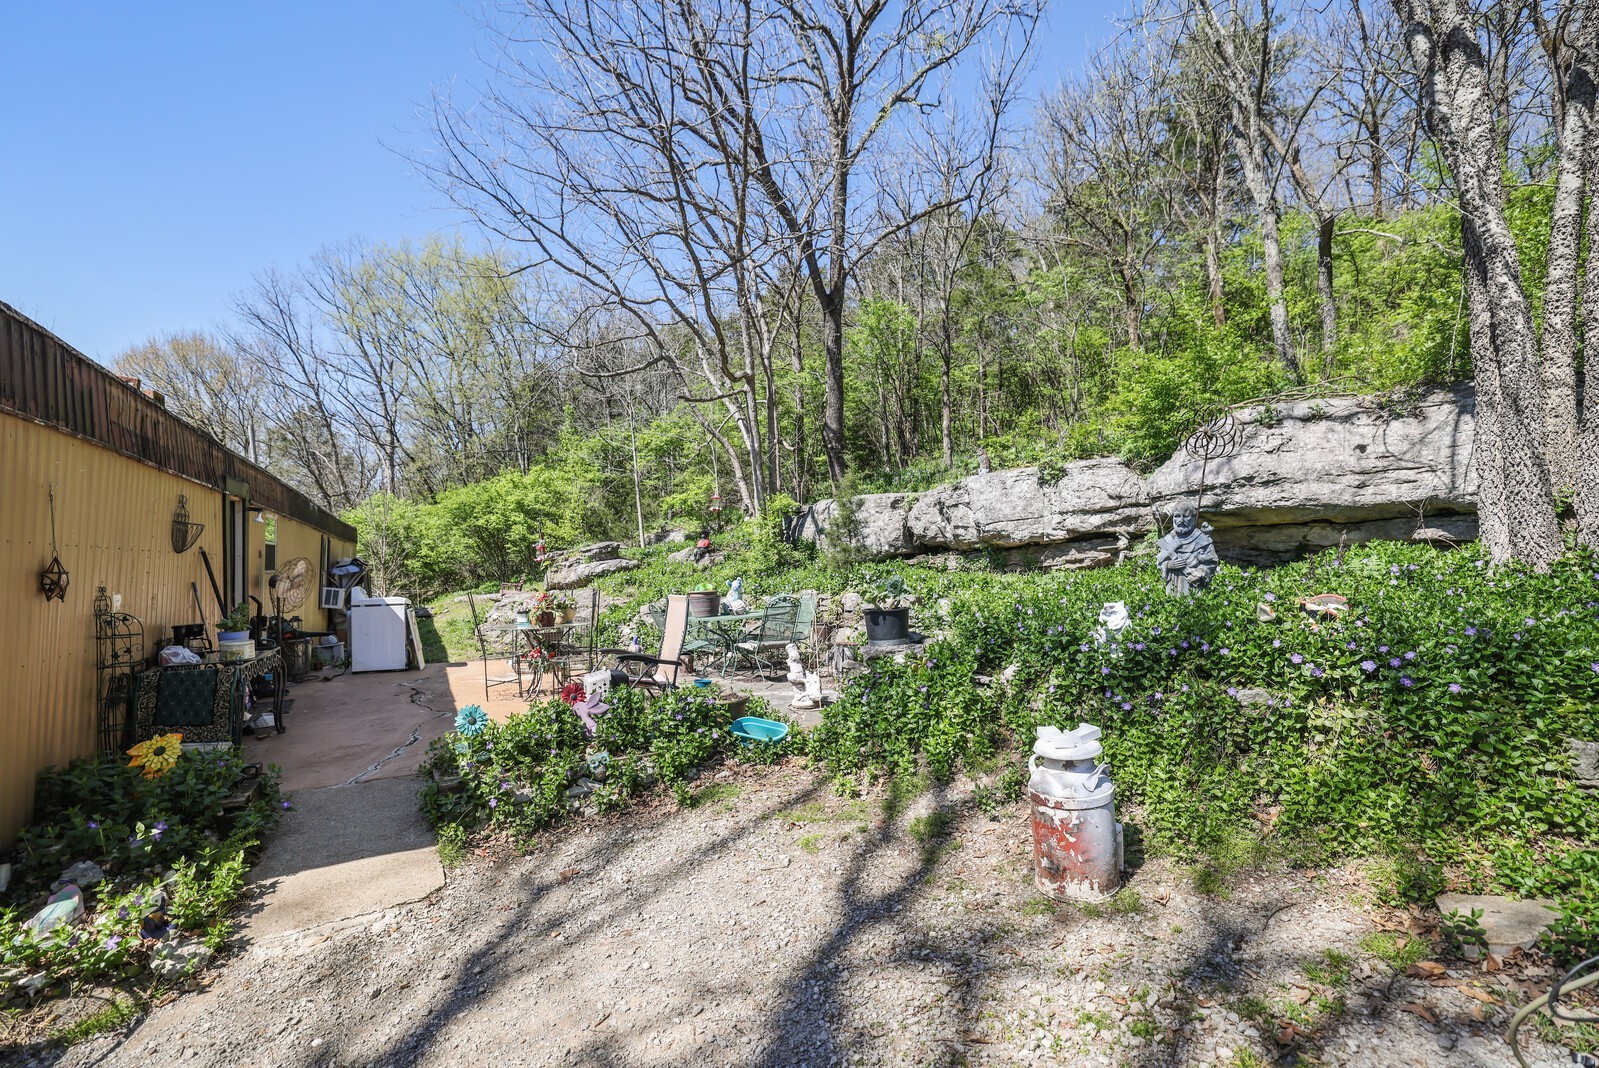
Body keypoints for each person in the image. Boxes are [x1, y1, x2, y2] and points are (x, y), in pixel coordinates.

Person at [1156, 502, 1219, 596]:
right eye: (1177, 516)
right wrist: (1168, 565)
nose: (1181, 520)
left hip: (1193, 588)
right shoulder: (1168, 540)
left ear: (1193, 518)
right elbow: (1159, 563)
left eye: (1185, 516)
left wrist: (1200, 573)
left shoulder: (1202, 540)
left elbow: (1211, 563)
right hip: (1172, 588)